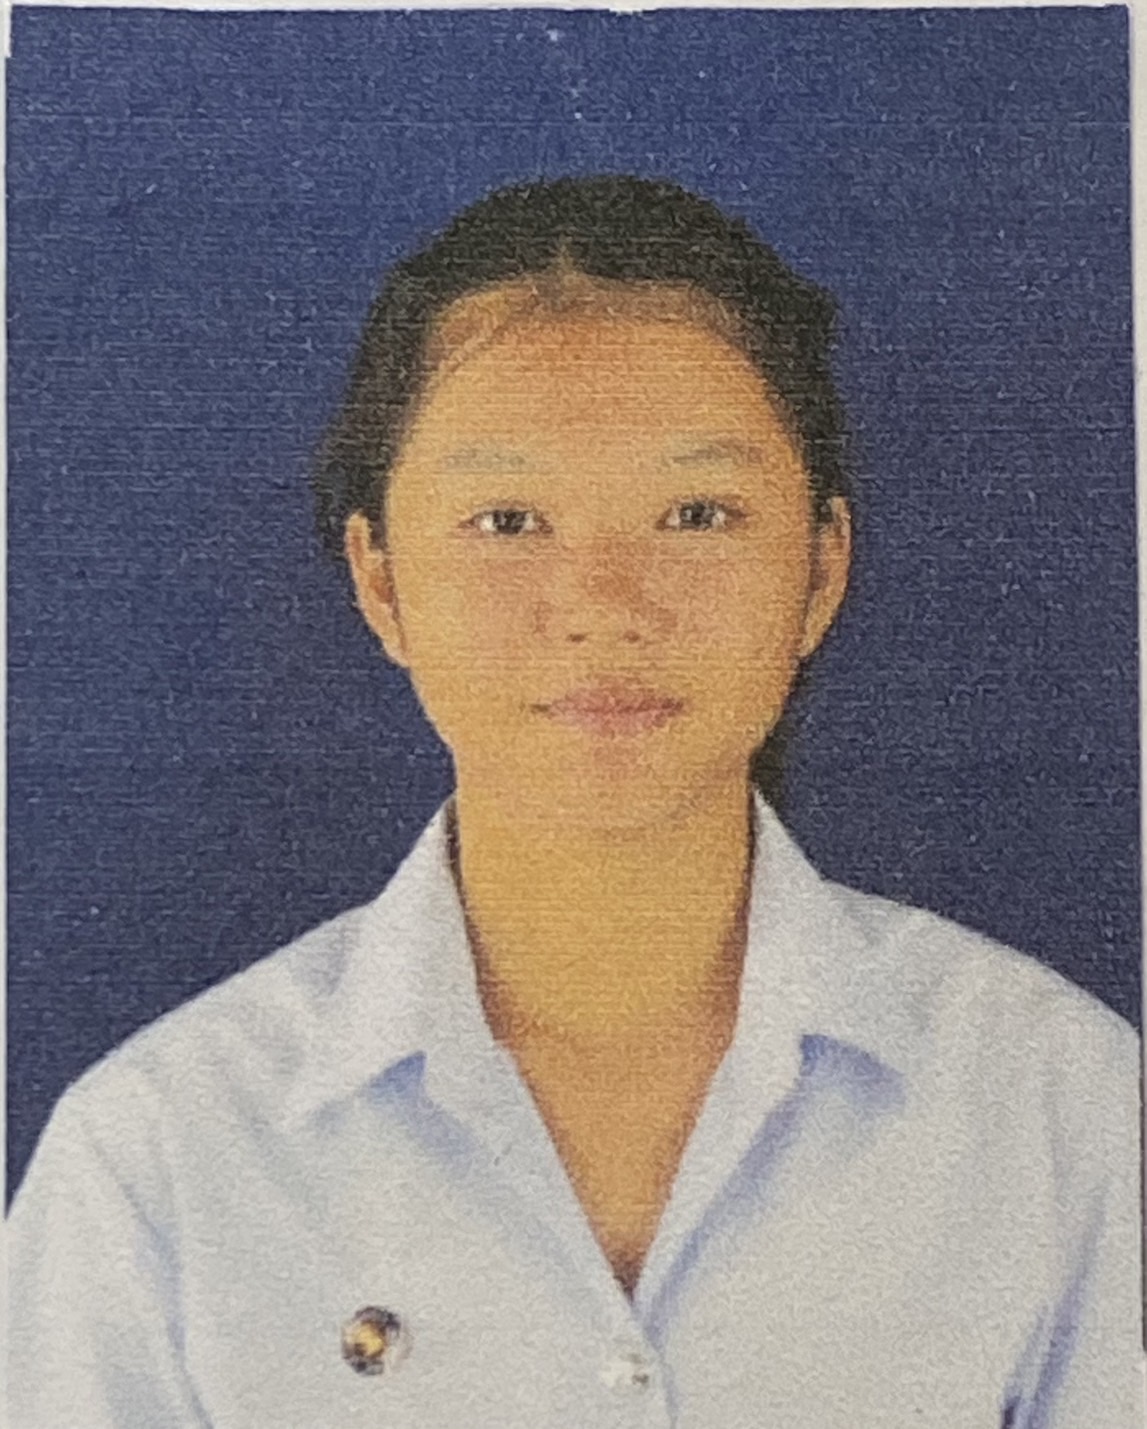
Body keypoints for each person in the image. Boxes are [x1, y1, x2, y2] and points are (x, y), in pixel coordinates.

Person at [7, 176, 1141, 1427]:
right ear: (379, 579)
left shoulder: (1054, 1103)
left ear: (821, 568)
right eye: (507, 520)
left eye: (697, 513)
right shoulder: (161, 1159)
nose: (604, 603)